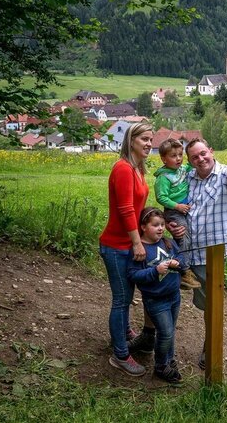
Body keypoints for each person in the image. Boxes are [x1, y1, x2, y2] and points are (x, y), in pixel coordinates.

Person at [167, 138, 227, 370]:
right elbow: (175, 203)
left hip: (212, 257)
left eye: (203, 153)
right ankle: (161, 346)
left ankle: (211, 348)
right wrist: (173, 225)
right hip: (186, 252)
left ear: (211, 151)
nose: (200, 159)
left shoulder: (224, 175)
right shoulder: (189, 176)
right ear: (190, 161)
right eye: (195, 157)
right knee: (170, 297)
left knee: (211, 305)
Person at [98, 122, 153, 377]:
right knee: (121, 300)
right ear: (131, 140)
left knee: (126, 296)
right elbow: (125, 209)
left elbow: (139, 208)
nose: (149, 143)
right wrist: (137, 242)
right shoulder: (122, 168)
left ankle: (122, 333)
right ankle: (120, 355)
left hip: (127, 243)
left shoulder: (138, 169)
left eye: (151, 139)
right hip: (116, 245)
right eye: (144, 139)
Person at [128, 207, 186, 384]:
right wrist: (155, 271)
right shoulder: (140, 250)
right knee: (165, 332)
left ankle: (168, 360)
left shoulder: (168, 243)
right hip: (155, 300)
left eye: (162, 225)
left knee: (170, 331)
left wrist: (178, 263)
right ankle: (161, 365)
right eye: (155, 225)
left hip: (174, 296)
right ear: (144, 227)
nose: (161, 228)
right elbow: (134, 275)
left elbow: (182, 260)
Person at [152, 139, 201, 290]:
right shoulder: (164, 177)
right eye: (173, 156)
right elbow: (161, 197)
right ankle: (184, 271)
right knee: (183, 236)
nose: (178, 158)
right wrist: (177, 206)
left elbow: (192, 164)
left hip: (183, 208)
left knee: (188, 236)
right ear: (163, 159)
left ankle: (183, 265)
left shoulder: (181, 169)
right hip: (174, 211)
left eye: (180, 155)